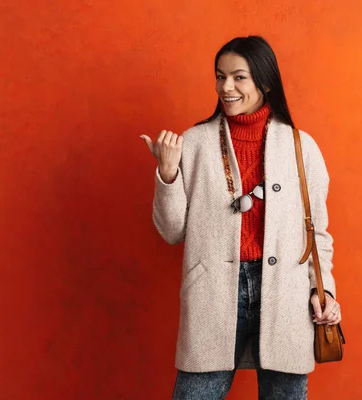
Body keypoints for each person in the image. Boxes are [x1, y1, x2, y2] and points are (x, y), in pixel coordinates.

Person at [140, 36, 342, 400]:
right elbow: (171, 232)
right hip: (212, 291)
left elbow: (319, 234)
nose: (226, 87)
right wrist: (168, 174)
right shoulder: (194, 143)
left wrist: (323, 290)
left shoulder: (301, 147)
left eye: (238, 77)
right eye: (220, 77)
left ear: (265, 82)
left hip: (286, 293)